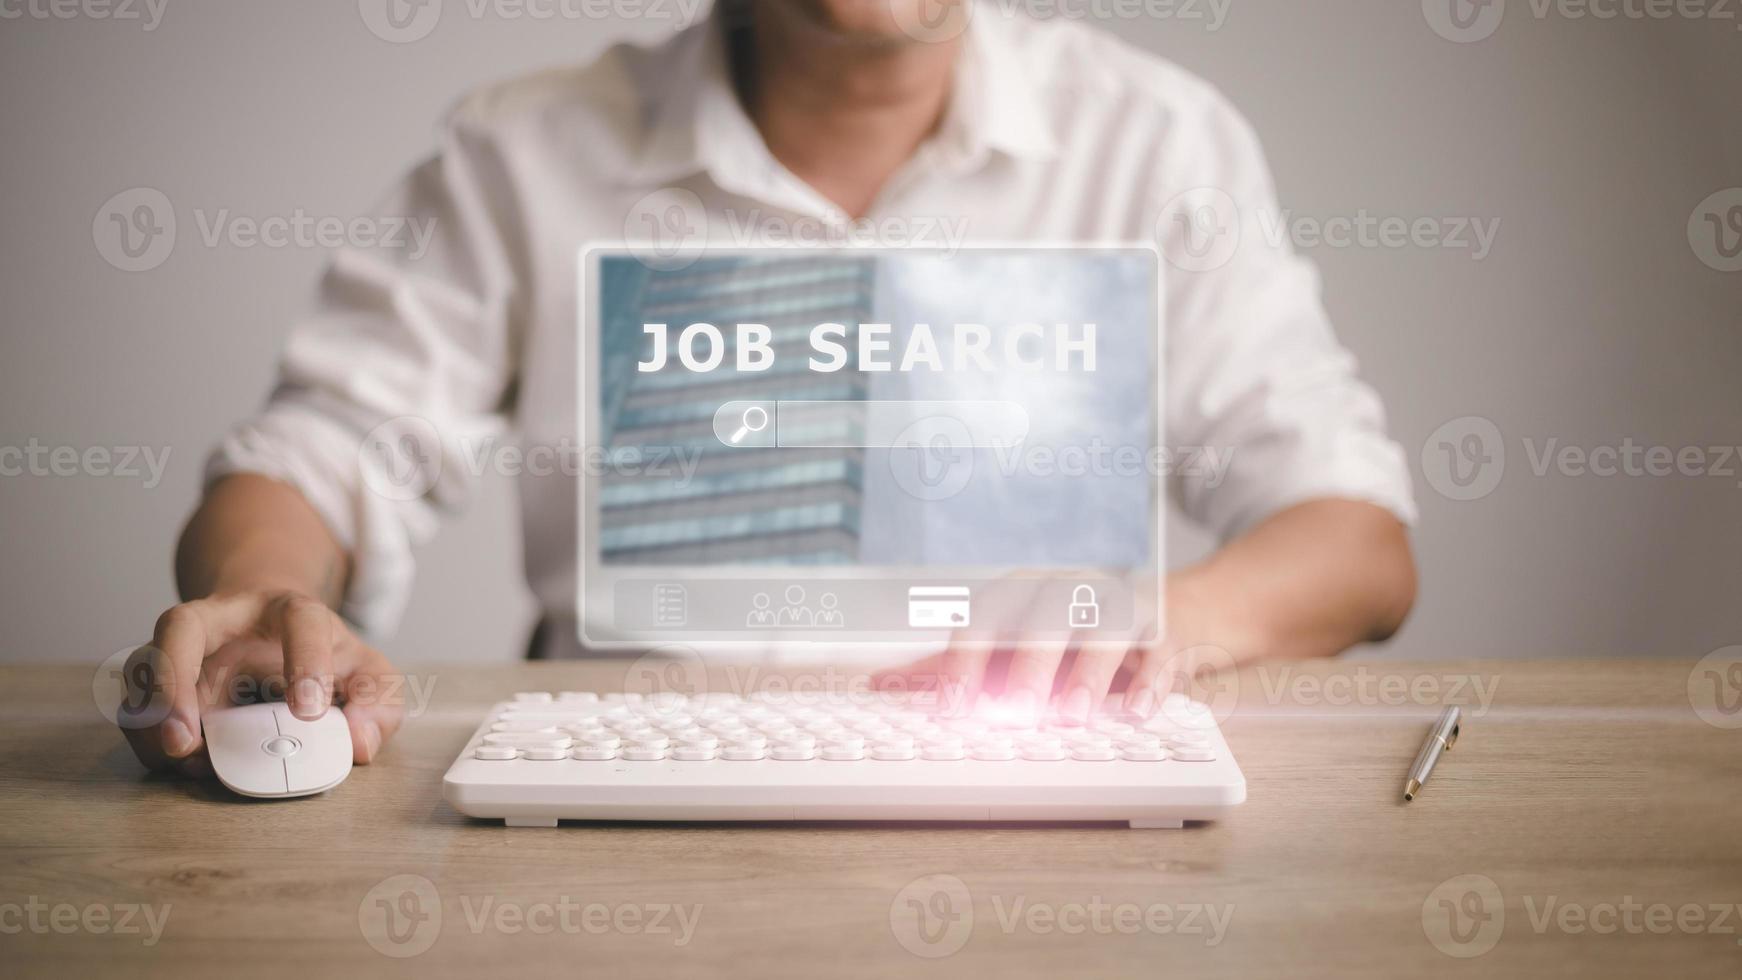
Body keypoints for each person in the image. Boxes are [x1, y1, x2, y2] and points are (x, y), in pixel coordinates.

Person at [121, 0, 1417, 777]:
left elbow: (1352, 535)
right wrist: (270, 595)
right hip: (627, 816)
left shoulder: (1159, 139)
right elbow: (326, 447)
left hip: (1046, 811)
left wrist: (1164, 614)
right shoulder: (519, 147)